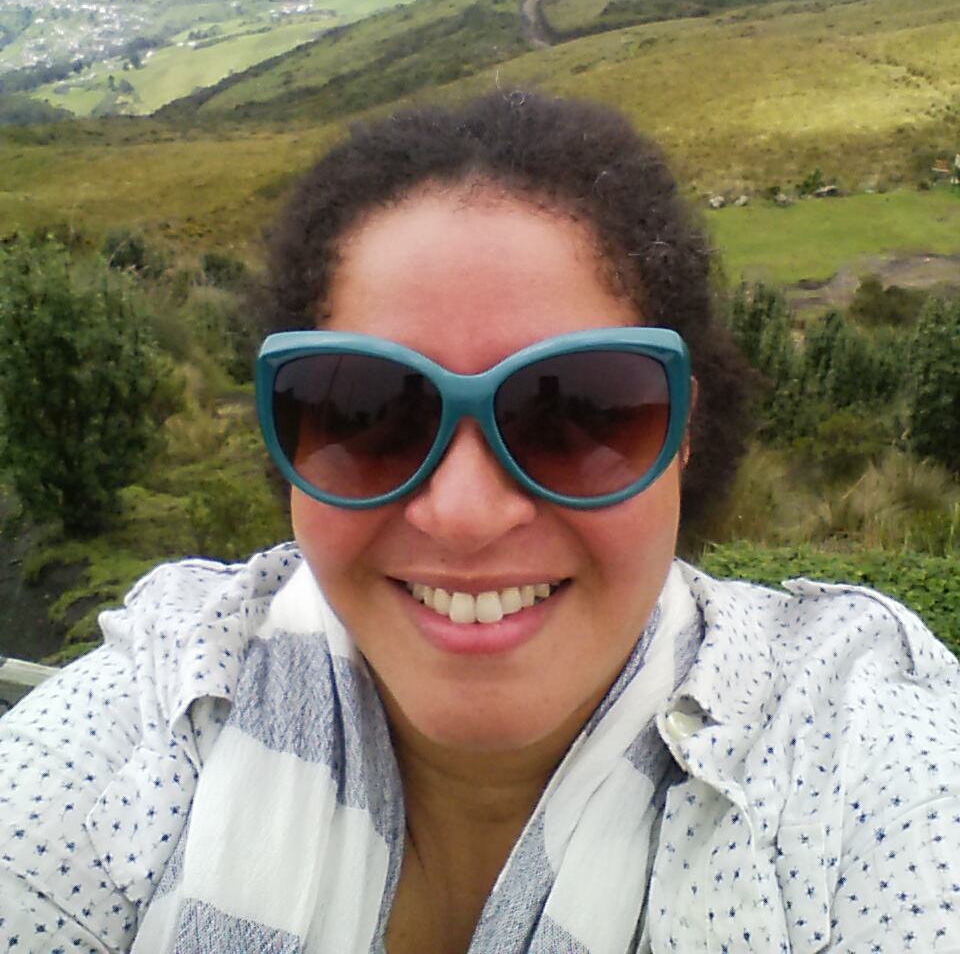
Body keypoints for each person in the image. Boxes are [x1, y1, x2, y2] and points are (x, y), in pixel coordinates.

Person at [1, 90, 959, 954]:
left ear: (685, 435)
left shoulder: (858, 785)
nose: (463, 515)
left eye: (575, 412)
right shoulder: (147, 733)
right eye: (369, 413)